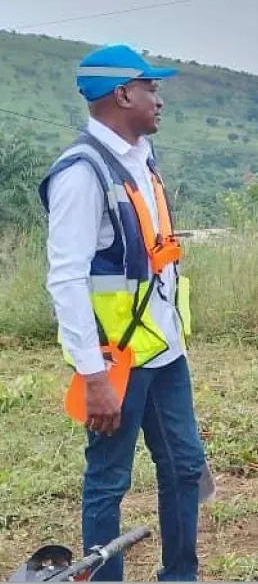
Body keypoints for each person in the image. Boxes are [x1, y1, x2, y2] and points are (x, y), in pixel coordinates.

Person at [38, 44, 208, 581]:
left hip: (165, 352)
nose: (159, 99)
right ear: (123, 95)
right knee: (109, 481)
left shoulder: (140, 160)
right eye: (150, 88)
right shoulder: (81, 174)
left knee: (184, 466)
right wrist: (93, 376)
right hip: (116, 361)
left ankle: (180, 576)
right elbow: (66, 278)